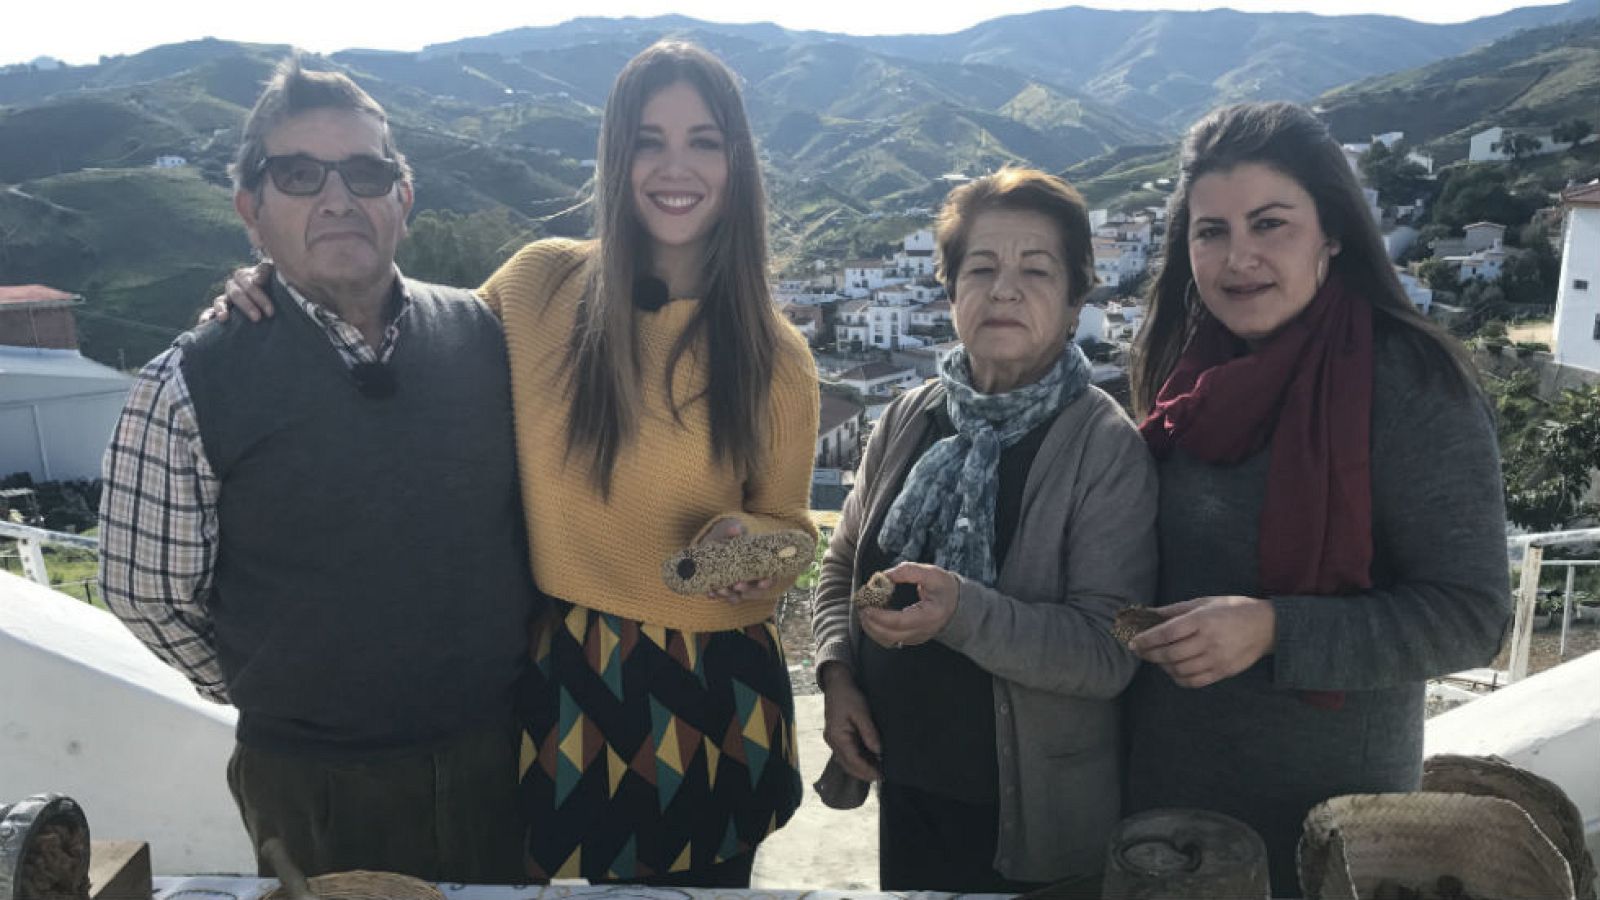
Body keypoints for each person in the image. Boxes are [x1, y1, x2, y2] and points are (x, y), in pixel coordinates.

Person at [99, 61, 538, 882]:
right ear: (251, 213)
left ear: (401, 199)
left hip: (501, 760)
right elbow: (142, 592)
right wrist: (269, 679)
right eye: (298, 174)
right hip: (309, 789)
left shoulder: (486, 335)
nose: (337, 198)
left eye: (366, 172)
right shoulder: (187, 382)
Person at [1124, 101, 1510, 895]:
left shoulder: (1407, 382)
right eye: (1212, 232)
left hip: (1324, 826)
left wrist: (1274, 628)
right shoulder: (1189, 369)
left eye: (1271, 225)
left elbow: (1473, 615)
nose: (1239, 259)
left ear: (1331, 233)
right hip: (1164, 808)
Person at [811, 168, 1158, 894]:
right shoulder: (911, 415)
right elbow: (844, 563)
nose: (1005, 289)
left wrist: (963, 612)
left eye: (1036, 270)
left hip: (1029, 820)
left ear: (1073, 302)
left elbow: (1107, 651)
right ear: (950, 291)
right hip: (908, 788)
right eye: (982, 268)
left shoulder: (1103, 446)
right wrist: (838, 674)